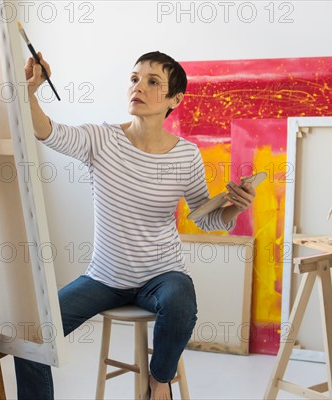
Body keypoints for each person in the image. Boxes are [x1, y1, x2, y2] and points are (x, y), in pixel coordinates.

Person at [15, 51, 255, 400]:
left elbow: (204, 218)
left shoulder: (185, 155)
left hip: (162, 274)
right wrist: (29, 91)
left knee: (181, 301)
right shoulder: (102, 140)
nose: (138, 86)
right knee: (33, 333)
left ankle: (159, 381)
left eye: (153, 81)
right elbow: (47, 131)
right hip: (104, 278)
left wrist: (235, 209)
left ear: (175, 99)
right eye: (134, 78)